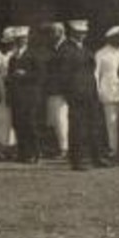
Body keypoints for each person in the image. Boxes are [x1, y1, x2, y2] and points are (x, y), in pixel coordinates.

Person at [58, 20, 110, 171]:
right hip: (76, 93)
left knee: (94, 125)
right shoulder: (66, 49)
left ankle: (97, 157)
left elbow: (91, 71)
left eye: (84, 33)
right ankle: (77, 159)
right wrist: (69, 93)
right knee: (77, 127)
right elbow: (63, 74)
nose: (82, 36)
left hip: (90, 91)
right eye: (79, 33)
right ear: (72, 33)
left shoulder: (85, 49)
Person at [5, 26, 44, 163]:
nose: (21, 41)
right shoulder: (13, 57)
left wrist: (25, 75)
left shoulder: (34, 54)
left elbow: (40, 75)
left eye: (23, 38)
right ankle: (23, 153)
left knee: (30, 124)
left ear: (27, 39)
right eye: (18, 39)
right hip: (17, 96)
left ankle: (35, 153)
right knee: (18, 124)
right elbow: (8, 76)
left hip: (30, 95)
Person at [0, 27, 24, 160]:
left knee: (13, 120)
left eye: (13, 41)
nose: (11, 44)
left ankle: (10, 148)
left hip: (14, 90)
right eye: (9, 42)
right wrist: (0, 94)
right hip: (3, 90)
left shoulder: (16, 54)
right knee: (4, 120)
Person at [95, 25, 119, 157]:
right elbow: (96, 74)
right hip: (108, 91)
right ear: (110, 38)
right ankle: (113, 149)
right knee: (111, 122)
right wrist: (98, 90)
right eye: (117, 38)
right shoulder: (101, 53)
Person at [40, 20, 71, 159]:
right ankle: (58, 146)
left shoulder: (67, 47)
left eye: (53, 32)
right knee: (53, 120)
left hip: (62, 90)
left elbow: (67, 70)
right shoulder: (52, 47)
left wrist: (66, 89)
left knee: (60, 119)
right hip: (52, 90)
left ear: (61, 32)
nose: (50, 35)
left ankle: (64, 148)